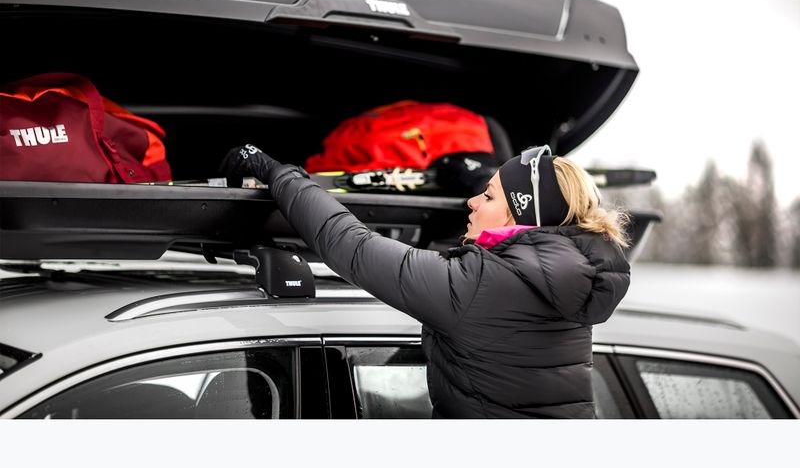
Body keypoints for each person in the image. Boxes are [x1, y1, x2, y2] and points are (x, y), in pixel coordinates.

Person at [220, 143, 631, 419]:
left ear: (519, 216)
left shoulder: (479, 286)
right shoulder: (567, 282)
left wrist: (275, 171)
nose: (472, 202)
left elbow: (350, 245)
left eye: (488, 196)